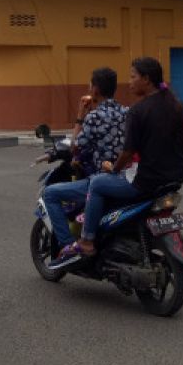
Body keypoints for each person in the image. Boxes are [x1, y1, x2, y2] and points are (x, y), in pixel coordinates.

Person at [55, 57, 183, 264]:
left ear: (146, 79)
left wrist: (114, 170)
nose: (130, 82)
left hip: (146, 180)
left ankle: (87, 241)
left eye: (133, 77)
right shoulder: (176, 105)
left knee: (98, 183)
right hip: (175, 177)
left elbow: (127, 152)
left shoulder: (138, 110)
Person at [42, 68, 128, 259]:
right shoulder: (126, 112)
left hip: (100, 179)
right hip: (124, 177)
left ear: (95, 90)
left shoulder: (94, 117)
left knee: (50, 194)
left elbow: (75, 147)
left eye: (90, 85)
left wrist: (81, 115)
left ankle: (68, 247)